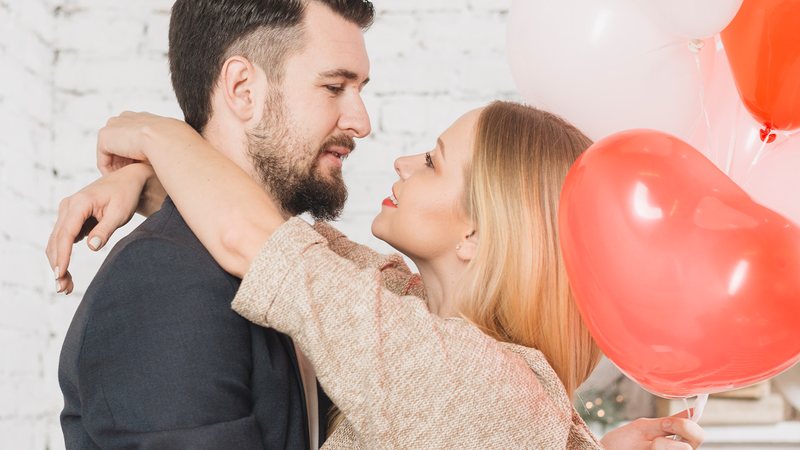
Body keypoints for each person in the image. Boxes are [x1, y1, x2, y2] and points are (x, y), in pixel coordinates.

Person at [48, 102, 705, 449]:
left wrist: (150, 134)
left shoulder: (476, 382)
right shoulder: (412, 311)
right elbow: (277, 230)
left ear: (476, 230)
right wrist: (149, 182)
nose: (400, 160)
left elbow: (254, 240)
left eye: (433, 162)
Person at [51, 0, 375, 448]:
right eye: (335, 86)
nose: (361, 123)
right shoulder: (164, 278)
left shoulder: (289, 268)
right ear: (243, 89)